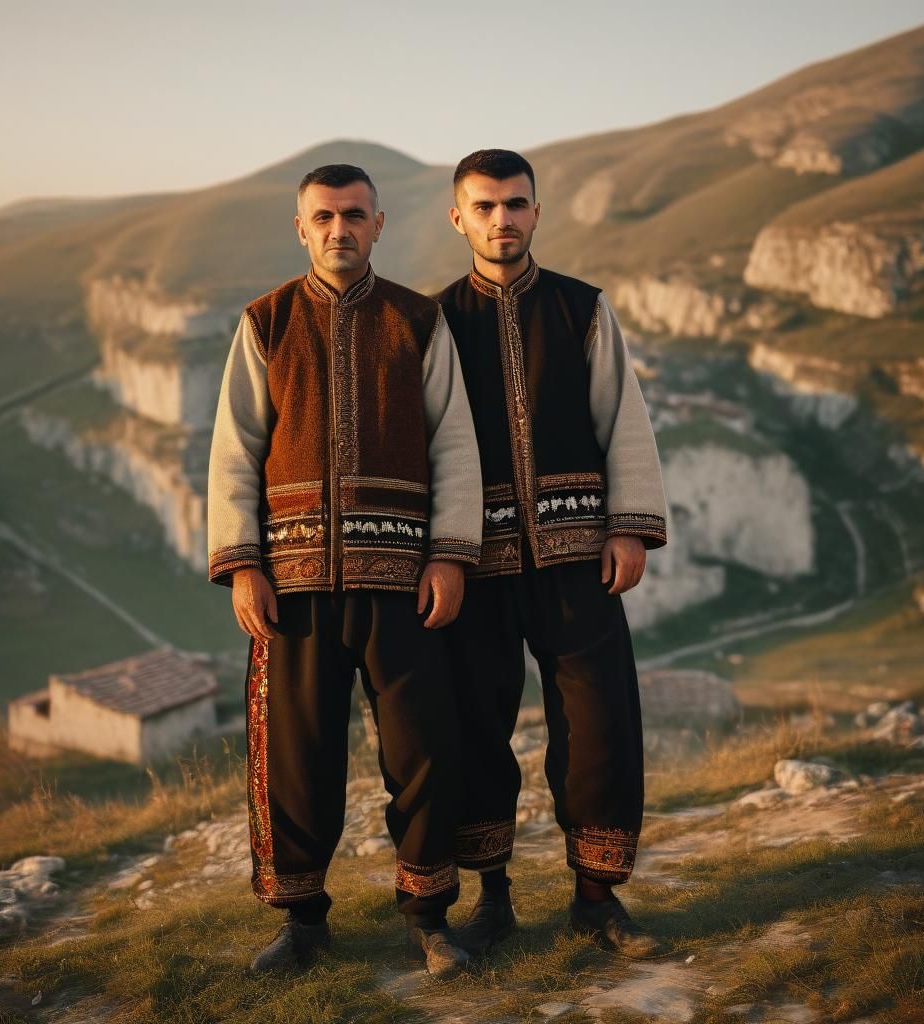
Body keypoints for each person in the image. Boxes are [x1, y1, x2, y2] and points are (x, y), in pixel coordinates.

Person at [207, 163, 482, 978]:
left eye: (354, 216)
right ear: (302, 228)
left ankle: (429, 919)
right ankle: (301, 924)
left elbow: (455, 445)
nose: (340, 230)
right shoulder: (265, 321)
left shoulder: (419, 320)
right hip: (290, 591)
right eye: (324, 217)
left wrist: (450, 555)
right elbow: (235, 453)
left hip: (403, 584)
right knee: (298, 755)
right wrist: (243, 565)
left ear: (379, 223)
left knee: (423, 751)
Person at [434, 149, 668, 957]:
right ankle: (492, 900)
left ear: (538, 212)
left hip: (579, 561)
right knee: (474, 727)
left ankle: (596, 899)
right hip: (474, 567)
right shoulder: (432, 323)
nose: (503, 219)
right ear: (457, 216)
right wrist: (437, 552)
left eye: (517, 204)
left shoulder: (582, 309)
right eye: (486, 206)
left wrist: (630, 525)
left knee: (600, 723)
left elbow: (624, 419)